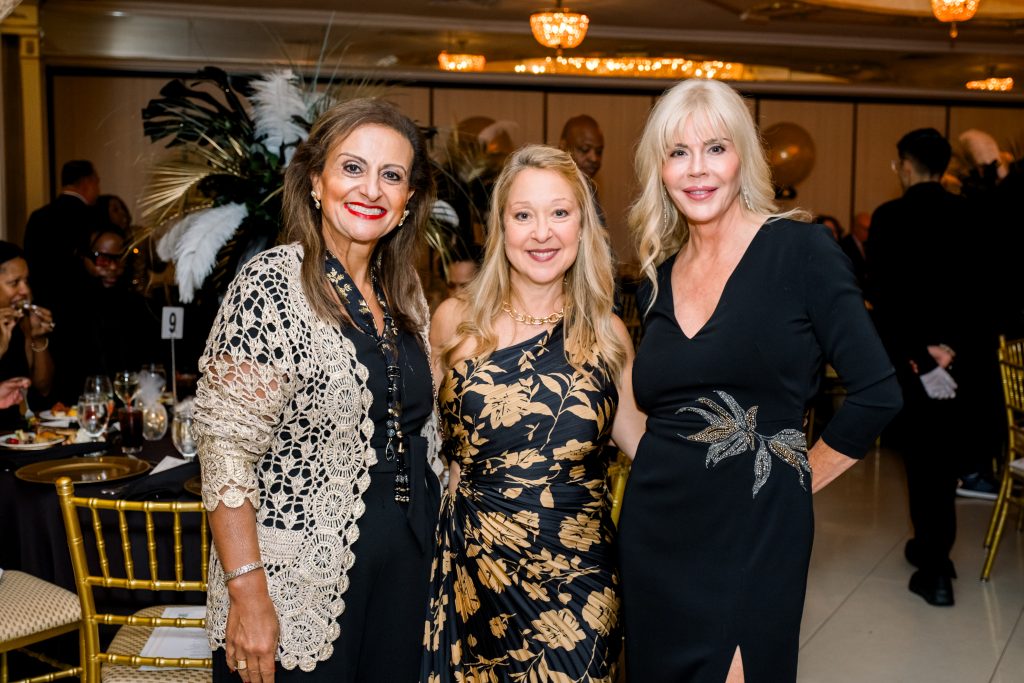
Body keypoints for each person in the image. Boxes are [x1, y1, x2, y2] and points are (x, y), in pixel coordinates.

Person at [618, 79, 901, 682]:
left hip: (756, 533)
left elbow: (877, 393)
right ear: (659, 170)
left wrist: (793, 480)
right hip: (654, 532)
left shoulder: (800, 251)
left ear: (743, 156)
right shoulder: (657, 277)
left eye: (715, 148)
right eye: (678, 152)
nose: (697, 169)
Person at [193, 98, 441, 681]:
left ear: (408, 200)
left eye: (392, 175)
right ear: (315, 181)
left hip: (406, 570)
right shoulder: (271, 285)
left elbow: (421, 430)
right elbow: (224, 450)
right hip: (297, 583)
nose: (371, 189)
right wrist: (247, 592)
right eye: (353, 168)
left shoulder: (405, 289)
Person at [421, 144, 643, 682]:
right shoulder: (455, 323)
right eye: (523, 215)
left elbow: (648, 447)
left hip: (579, 586)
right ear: (501, 228)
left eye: (559, 213)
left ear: (582, 227)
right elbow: (426, 448)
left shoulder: (607, 335)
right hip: (470, 574)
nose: (542, 233)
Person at [868, 127, 989, 606]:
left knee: (923, 462)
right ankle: (933, 548)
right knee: (946, 461)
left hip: (912, 358)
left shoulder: (889, 217)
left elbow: (883, 296)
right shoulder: (972, 213)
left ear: (904, 165)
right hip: (961, 360)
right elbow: (984, 291)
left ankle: (935, 567)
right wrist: (952, 348)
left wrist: (921, 351)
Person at [48, 227, 161, 404]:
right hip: (75, 407)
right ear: (84, 257)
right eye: (103, 260)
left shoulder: (137, 305)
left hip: (126, 405)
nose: (113, 267)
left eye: (120, 259)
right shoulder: (64, 306)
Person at [23, 160, 102, 307]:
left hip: (45, 300)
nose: (98, 190)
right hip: (82, 301)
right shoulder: (91, 217)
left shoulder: (38, 216)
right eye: (97, 182)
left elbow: (30, 262)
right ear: (87, 182)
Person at [0, 242, 55, 429]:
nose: (25, 291)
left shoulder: (18, 322)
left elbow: (43, 387)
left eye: (26, 281)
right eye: (14, 283)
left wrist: (38, 338)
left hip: (14, 433)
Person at [559, 114, 606, 225]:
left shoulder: (589, 187)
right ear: (563, 146)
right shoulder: (549, 187)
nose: (594, 158)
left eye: (599, 152)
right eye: (585, 149)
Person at [839, 211, 871, 295]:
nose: (868, 232)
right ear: (855, 227)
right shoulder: (845, 244)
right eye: (865, 229)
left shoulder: (868, 244)